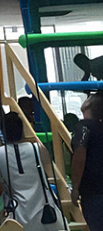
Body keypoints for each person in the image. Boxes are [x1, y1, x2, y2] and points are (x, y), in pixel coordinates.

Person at [0, 112, 65, 231]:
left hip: (17, 214)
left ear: (3, 131)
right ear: (22, 130)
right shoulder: (38, 148)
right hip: (44, 212)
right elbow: (48, 173)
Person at [71, 93, 103, 231]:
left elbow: (80, 156)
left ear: (89, 105)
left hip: (93, 190)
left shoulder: (83, 127)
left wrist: (75, 187)